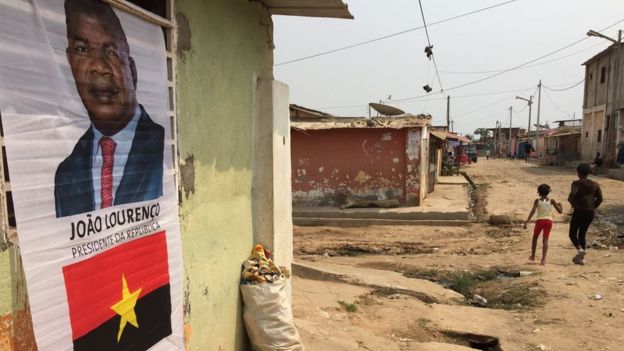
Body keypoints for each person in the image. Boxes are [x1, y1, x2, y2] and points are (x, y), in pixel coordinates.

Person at [55, 0, 164, 218]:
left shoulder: (164, 146)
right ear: (70, 62)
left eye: (112, 52)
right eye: (82, 50)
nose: (99, 67)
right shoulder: (66, 174)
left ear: (132, 71)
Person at [568, 164, 603, 265]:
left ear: (578, 173)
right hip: (590, 213)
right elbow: (600, 199)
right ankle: (581, 259)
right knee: (582, 235)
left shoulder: (576, 183)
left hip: (579, 211)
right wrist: (592, 207)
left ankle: (580, 250)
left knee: (572, 234)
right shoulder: (595, 184)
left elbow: (573, 194)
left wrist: (572, 202)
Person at [523, 184, 563, 265]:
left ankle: (533, 256)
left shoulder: (537, 201)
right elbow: (560, 211)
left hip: (540, 221)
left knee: (535, 238)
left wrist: (527, 221)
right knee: (545, 240)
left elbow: (533, 211)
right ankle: (543, 260)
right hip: (548, 222)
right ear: (548, 192)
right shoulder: (552, 200)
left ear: (539, 193)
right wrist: (561, 205)